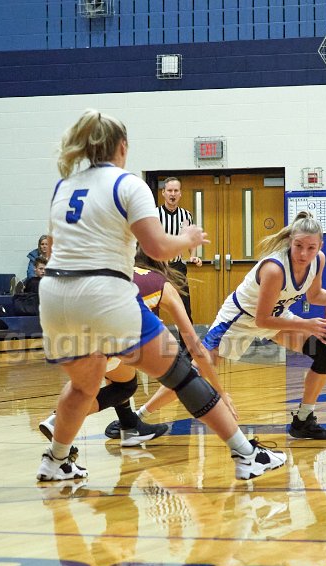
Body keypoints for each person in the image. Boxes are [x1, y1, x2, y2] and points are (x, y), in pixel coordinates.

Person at [37, 109, 284, 482]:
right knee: (181, 375)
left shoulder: (63, 187)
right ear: (123, 146)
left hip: (55, 295)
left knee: (83, 386)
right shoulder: (127, 184)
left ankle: (55, 461)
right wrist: (187, 239)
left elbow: (53, 247)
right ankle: (247, 455)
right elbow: (155, 247)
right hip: (103, 292)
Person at [134, 211, 326, 441]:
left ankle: (304, 420)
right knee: (194, 374)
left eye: (311, 248)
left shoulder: (318, 260)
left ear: (320, 246)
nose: (304, 253)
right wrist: (306, 324)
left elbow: (314, 295)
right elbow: (261, 320)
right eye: (298, 246)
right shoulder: (275, 269)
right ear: (289, 241)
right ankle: (137, 418)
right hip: (238, 320)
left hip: (276, 315)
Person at [97, 248, 234, 445]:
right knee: (183, 374)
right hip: (110, 335)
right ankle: (242, 449)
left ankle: (130, 425)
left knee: (122, 385)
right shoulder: (161, 284)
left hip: (75, 328)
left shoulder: (120, 272)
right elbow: (194, 346)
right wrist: (220, 392)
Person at [157, 177, 202, 321]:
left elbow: (190, 239)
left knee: (185, 305)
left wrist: (193, 255)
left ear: (180, 193)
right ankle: (152, 334)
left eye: (176, 191)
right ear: (163, 192)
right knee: (153, 303)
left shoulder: (186, 215)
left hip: (177, 266)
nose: (172, 194)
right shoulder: (155, 214)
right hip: (157, 266)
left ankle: (186, 336)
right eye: (169, 190)